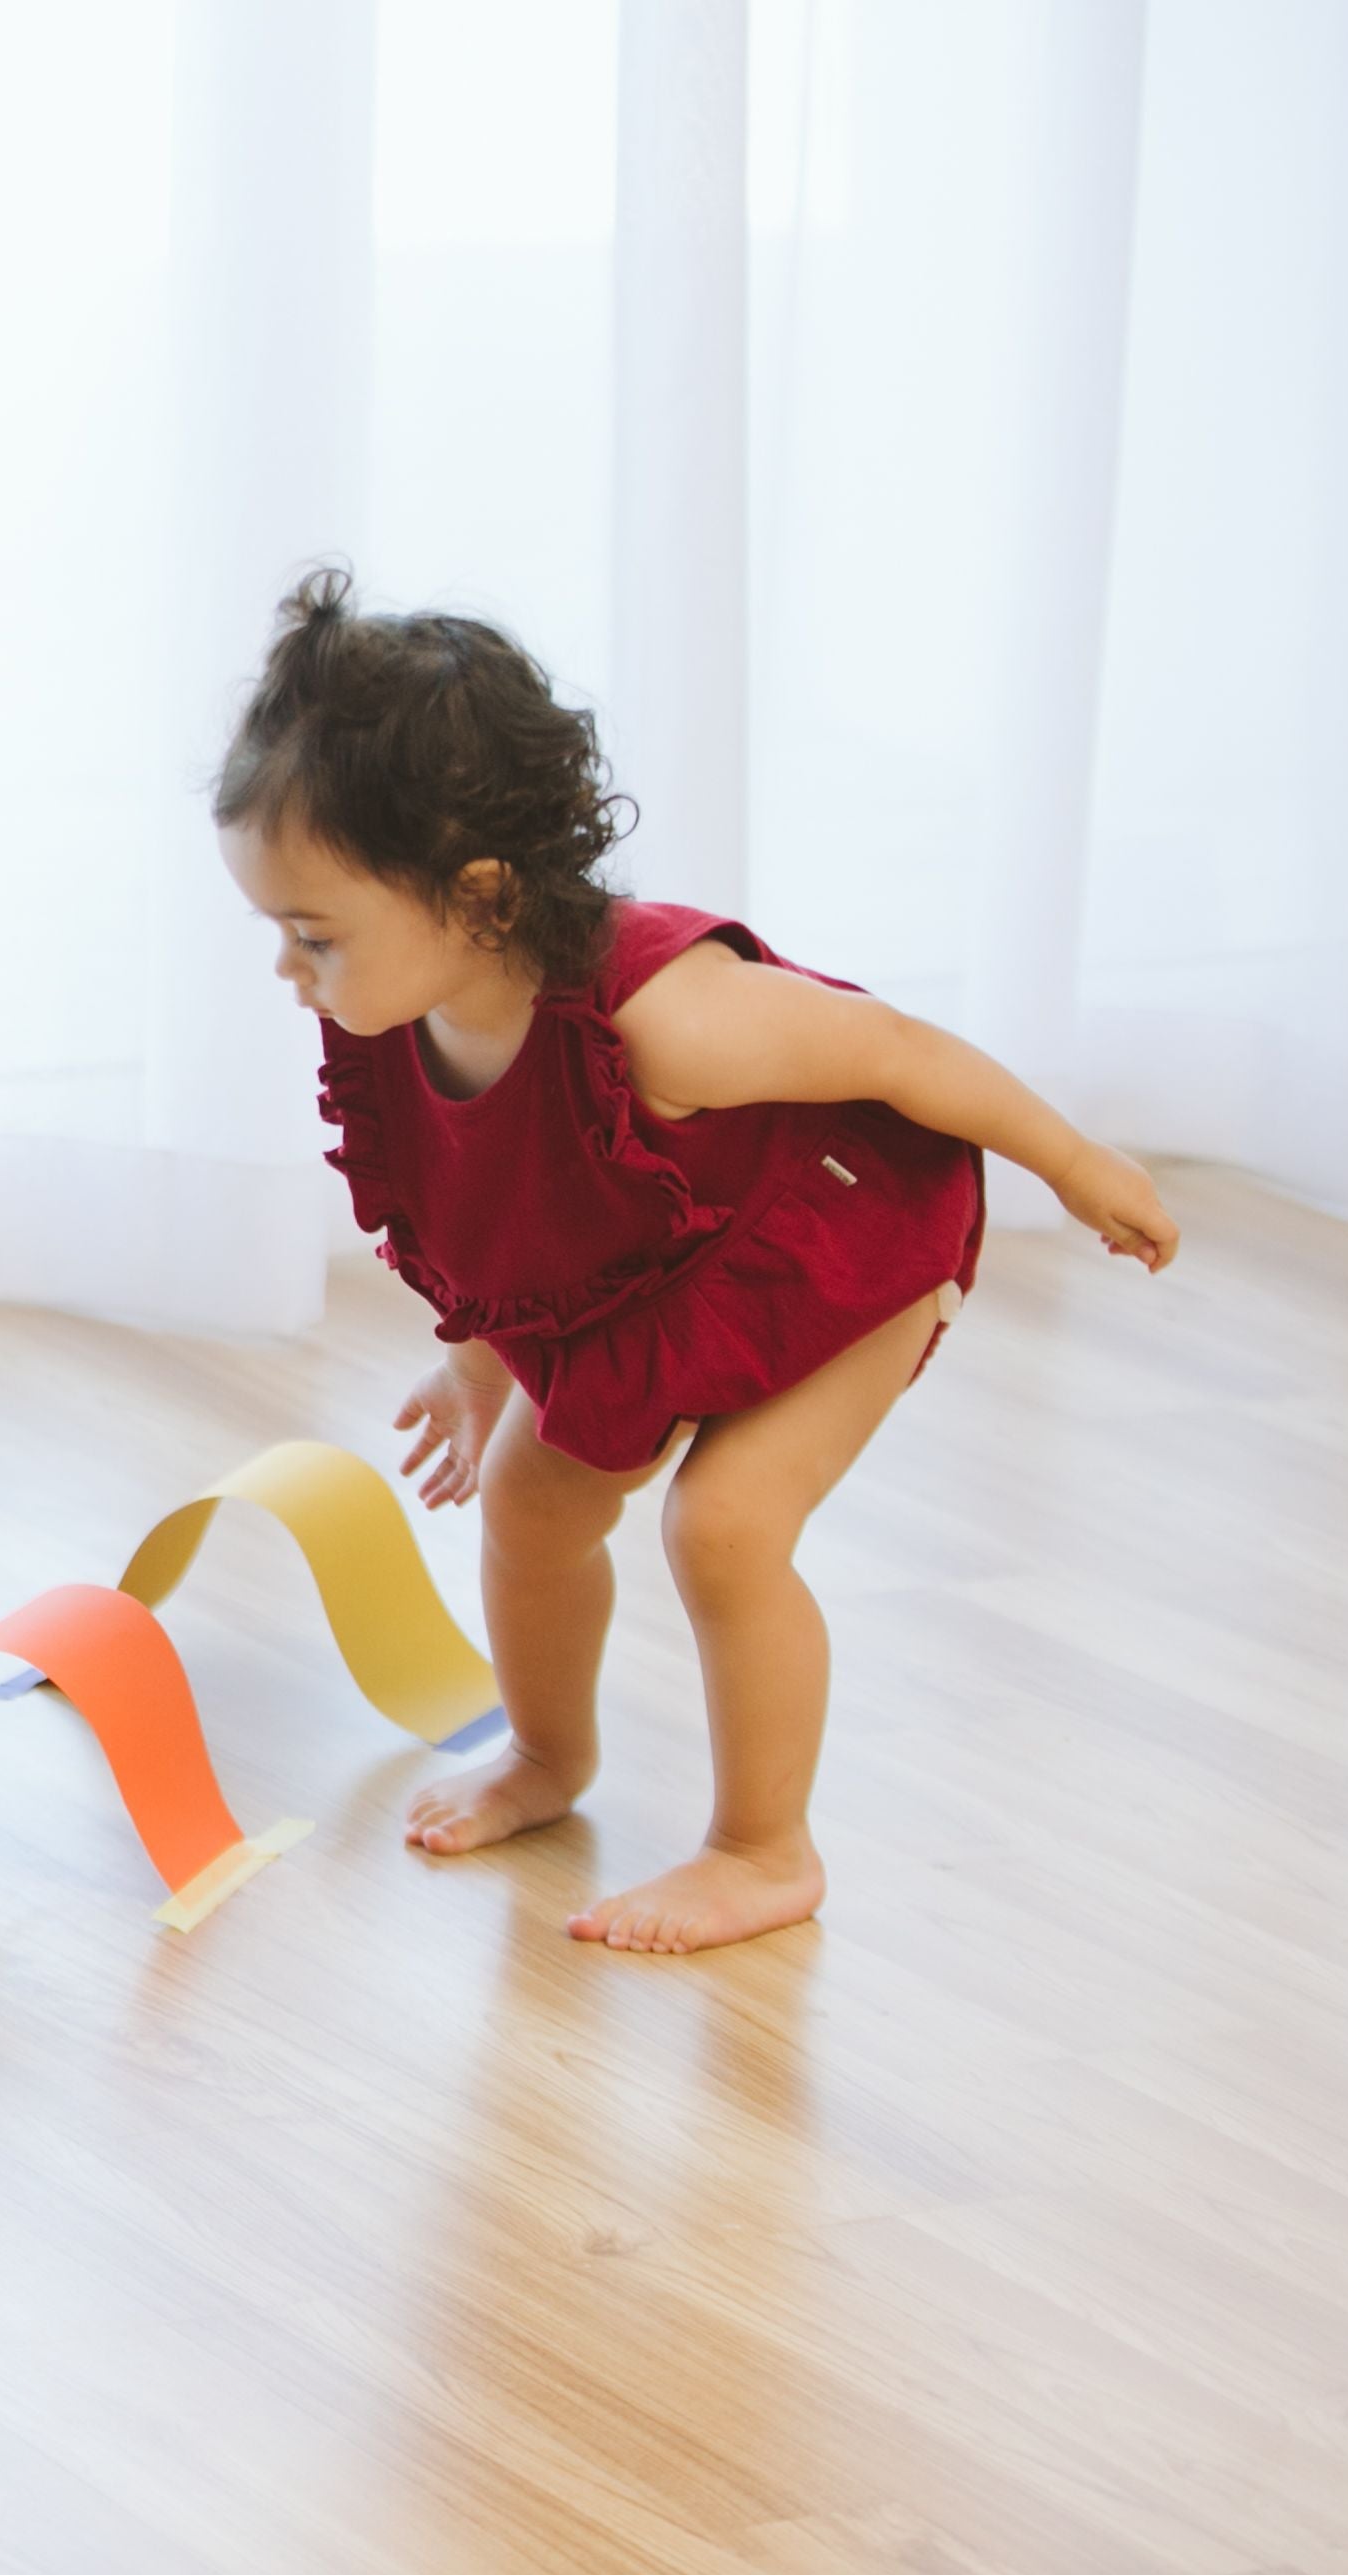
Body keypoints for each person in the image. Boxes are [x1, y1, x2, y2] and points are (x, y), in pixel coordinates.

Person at [218, 568, 1177, 1953]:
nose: (291, 972)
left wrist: (1080, 1165)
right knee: (529, 1500)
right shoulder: (402, 1018)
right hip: (668, 1264)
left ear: (476, 897)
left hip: (843, 1236)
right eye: (280, 934)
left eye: (315, 935)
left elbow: (897, 1056)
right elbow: (522, 1196)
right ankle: (550, 1755)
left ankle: (764, 1847)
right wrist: (474, 1349)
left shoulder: (673, 1018)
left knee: (723, 1527)